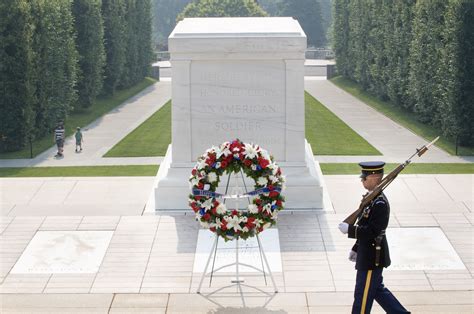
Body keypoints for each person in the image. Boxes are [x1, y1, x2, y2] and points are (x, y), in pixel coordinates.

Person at [338, 161, 410, 314]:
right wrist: (356, 248)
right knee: (377, 290)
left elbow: (373, 231)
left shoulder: (379, 203)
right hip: (367, 253)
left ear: (375, 178)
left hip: (372, 257)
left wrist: (350, 229)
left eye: (364, 177)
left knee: (362, 295)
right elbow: (365, 224)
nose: (362, 180)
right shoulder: (371, 199)